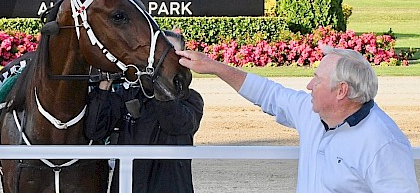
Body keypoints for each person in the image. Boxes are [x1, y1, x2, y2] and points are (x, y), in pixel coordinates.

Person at [176, 45, 419, 193]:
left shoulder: (383, 143)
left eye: (318, 80)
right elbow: (268, 94)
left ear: (341, 91)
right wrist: (214, 66)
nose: (309, 85)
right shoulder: (313, 112)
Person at [85, 30, 204, 193]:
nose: (162, 61)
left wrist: (160, 84)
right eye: (157, 55)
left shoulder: (191, 100)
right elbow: (95, 130)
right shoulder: (129, 95)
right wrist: (105, 83)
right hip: (129, 186)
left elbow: (175, 124)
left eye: (169, 55)